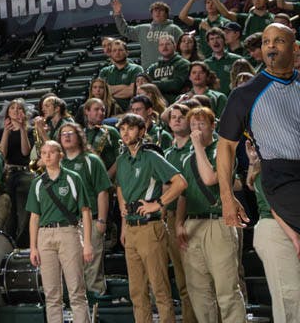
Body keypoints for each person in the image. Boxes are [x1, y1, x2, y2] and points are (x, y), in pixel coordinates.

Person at [216, 21, 300, 258]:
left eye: (279, 41)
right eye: (266, 42)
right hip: (281, 178)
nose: (271, 47)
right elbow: (226, 148)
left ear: (295, 48)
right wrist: (227, 197)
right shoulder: (244, 94)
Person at [115, 112, 188, 323]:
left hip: (150, 228)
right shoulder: (122, 159)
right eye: (122, 129)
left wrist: (158, 204)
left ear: (142, 131)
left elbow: (180, 182)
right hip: (131, 229)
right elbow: (120, 187)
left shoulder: (151, 156)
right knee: (136, 292)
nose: (126, 132)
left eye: (130, 128)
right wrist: (122, 217)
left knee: (160, 290)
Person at [174, 105, 244, 323]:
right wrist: (178, 223)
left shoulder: (222, 149)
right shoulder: (187, 157)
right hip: (193, 224)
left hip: (218, 222)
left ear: (213, 126)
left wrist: (196, 146)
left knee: (226, 289)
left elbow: (209, 178)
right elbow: (183, 194)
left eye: (201, 124)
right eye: (193, 124)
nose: (196, 129)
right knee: (198, 291)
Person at [25, 140, 93, 323]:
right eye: (44, 153)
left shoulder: (73, 178)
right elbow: (34, 217)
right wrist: (33, 247)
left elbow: (86, 212)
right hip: (44, 236)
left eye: (52, 152)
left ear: (60, 155)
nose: (47, 156)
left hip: (69, 232)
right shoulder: (37, 183)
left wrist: (87, 243)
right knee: (51, 294)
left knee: (76, 291)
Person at [57, 121, 110, 299]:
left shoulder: (91, 160)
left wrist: (102, 220)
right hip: (67, 224)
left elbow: (102, 191)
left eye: (71, 132)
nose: (67, 136)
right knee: (71, 266)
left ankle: (97, 303)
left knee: (92, 265)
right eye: (63, 133)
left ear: (79, 137)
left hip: (92, 220)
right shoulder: (58, 163)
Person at [249, 149, 300, 323]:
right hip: (277, 229)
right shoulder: (267, 170)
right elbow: (276, 208)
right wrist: (295, 238)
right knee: (288, 295)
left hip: (289, 228)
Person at [112, 0, 185, 67]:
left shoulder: (174, 29)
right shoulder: (143, 29)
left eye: (161, 10)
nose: (157, 12)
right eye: (155, 10)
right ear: (152, 14)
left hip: (169, 69)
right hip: (148, 70)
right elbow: (125, 30)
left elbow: (184, 48)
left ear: (166, 14)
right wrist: (118, 14)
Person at [147, 33, 191, 100]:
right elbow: (147, 87)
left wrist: (152, 84)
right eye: (161, 45)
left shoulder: (183, 64)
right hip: (157, 103)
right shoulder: (153, 68)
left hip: (177, 102)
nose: (164, 47)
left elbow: (176, 85)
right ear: (158, 48)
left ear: (175, 46)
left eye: (167, 44)